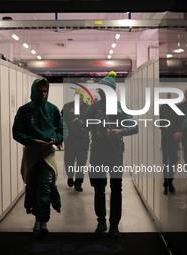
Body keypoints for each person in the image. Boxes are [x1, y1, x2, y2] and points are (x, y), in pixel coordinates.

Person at [84, 71, 138, 238]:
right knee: (99, 188)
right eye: (100, 90)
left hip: (115, 152)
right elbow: (86, 125)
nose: (100, 93)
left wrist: (121, 131)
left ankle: (114, 225)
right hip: (98, 152)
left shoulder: (121, 107)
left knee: (116, 188)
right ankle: (101, 221)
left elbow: (135, 126)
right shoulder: (93, 107)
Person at [12, 78, 64, 237]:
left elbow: (62, 130)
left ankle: (43, 221)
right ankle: (37, 217)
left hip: (48, 156)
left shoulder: (53, 109)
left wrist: (56, 139)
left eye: (45, 91)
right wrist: (33, 141)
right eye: (40, 91)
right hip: (31, 155)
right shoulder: (24, 110)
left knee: (45, 188)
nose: (43, 94)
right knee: (33, 187)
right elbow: (17, 133)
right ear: (34, 91)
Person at [61, 90, 90, 191]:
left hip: (83, 140)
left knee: (81, 162)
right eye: (77, 95)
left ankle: (78, 182)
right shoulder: (67, 107)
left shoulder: (88, 108)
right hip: (70, 140)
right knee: (69, 161)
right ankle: (70, 176)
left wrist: (85, 125)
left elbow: (91, 123)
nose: (80, 97)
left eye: (81, 95)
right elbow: (61, 121)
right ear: (74, 96)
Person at [159, 93, 181, 195]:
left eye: (170, 96)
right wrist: (170, 127)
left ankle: (169, 181)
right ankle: (166, 182)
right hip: (166, 139)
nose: (169, 97)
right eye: (167, 96)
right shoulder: (162, 108)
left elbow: (178, 124)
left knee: (172, 161)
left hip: (173, 139)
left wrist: (170, 127)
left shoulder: (177, 109)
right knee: (166, 162)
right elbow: (161, 125)